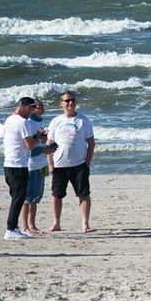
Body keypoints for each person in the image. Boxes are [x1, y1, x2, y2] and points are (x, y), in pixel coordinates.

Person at [48, 90, 95, 233]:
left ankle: (85, 223)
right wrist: (50, 164)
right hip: (59, 164)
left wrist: (87, 162)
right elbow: (49, 144)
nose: (70, 103)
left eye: (72, 100)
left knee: (83, 194)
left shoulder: (83, 120)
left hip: (79, 165)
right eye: (67, 101)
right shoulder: (56, 121)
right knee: (57, 195)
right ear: (61, 103)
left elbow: (91, 143)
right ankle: (56, 223)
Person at [2, 97, 44, 241]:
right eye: (31, 108)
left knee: (17, 198)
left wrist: (35, 137)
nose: (32, 111)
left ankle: (14, 227)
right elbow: (29, 145)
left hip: (8, 165)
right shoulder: (22, 121)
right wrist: (38, 138)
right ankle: (11, 228)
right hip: (18, 166)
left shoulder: (10, 119)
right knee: (19, 199)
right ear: (24, 106)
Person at [21, 99, 53, 236]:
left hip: (42, 164)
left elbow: (40, 141)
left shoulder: (40, 122)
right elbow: (27, 147)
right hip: (31, 165)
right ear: (32, 108)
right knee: (27, 197)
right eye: (37, 105)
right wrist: (41, 150)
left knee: (36, 197)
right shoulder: (28, 123)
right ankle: (24, 226)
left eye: (41, 105)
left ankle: (32, 224)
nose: (41, 107)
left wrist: (49, 146)